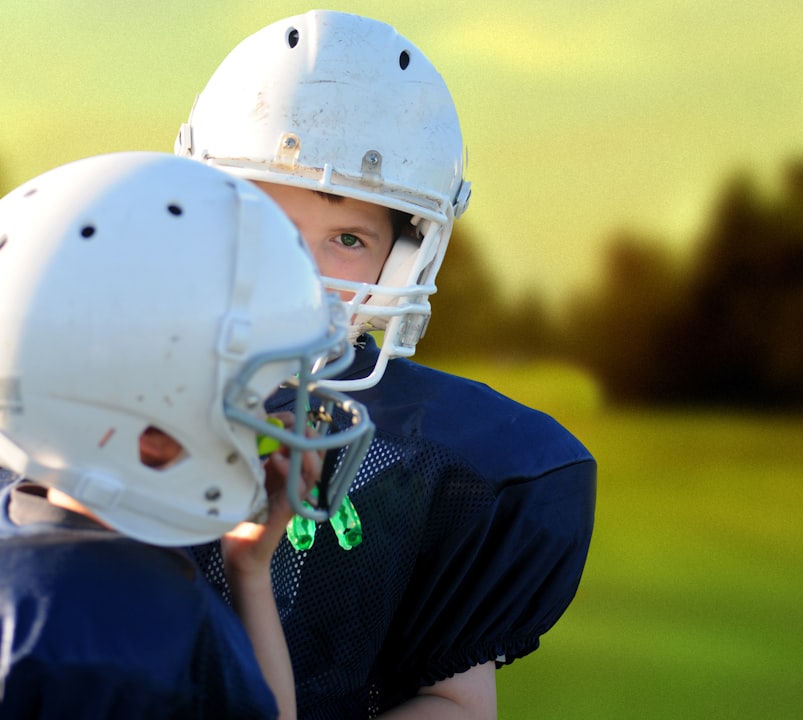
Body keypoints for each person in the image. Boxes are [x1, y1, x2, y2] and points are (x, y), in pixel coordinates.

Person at [175, 10, 597, 718]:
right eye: (272, 225)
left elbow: (456, 704)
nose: (302, 268)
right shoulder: (107, 387)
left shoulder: (426, 455)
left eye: (346, 238)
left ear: (403, 258)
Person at [0, 151, 375, 719]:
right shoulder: (145, 623)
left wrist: (248, 568)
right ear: (152, 431)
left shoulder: (30, 539)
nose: (275, 421)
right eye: (253, 395)